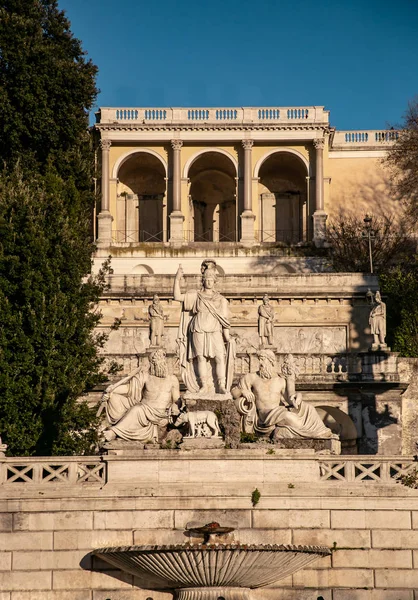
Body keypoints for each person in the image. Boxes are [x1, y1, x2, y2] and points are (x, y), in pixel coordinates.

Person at [231, 350, 335, 440]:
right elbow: (234, 393)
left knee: (309, 408)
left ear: (271, 361)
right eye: (260, 360)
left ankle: (321, 431)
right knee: (287, 416)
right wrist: (243, 391)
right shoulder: (251, 377)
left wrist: (298, 396)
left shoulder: (280, 381)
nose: (261, 363)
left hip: (278, 411)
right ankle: (316, 433)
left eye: (263, 359)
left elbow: (290, 398)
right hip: (265, 416)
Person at [174, 260, 233, 395]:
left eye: (211, 280)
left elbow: (224, 321)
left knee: (219, 357)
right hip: (198, 328)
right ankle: (204, 385)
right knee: (200, 357)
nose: (209, 282)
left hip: (214, 329)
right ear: (203, 281)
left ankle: (221, 385)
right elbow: (177, 297)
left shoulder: (221, 299)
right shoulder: (196, 296)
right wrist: (177, 279)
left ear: (215, 281)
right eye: (206, 279)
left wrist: (227, 337)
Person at [102, 349, 180, 443]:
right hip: (144, 408)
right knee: (117, 398)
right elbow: (129, 388)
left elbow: (177, 400)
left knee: (137, 409)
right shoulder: (145, 376)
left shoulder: (172, 379)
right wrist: (111, 391)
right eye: (154, 363)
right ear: (151, 364)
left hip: (160, 413)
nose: (158, 365)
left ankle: (114, 432)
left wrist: (173, 409)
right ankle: (117, 431)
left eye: (161, 362)